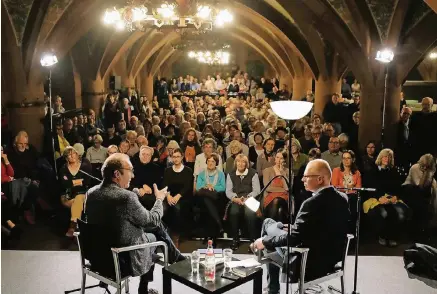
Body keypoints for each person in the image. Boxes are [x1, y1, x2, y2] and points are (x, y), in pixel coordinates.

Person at [84, 153, 184, 294]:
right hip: (123, 259)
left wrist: (135, 192)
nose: (133, 175)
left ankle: (176, 257)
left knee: (152, 228)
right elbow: (152, 219)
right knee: (155, 231)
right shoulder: (126, 198)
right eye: (130, 170)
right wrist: (159, 199)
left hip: (97, 256)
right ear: (117, 174)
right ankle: (146, 286)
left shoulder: (91, 193)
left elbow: (113, 208)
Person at [252, 159, 350, 294]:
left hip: (307, 263)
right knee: (274, 227)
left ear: (320, 179)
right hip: (331, 258)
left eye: (306, 176)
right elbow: (325, 228)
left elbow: (293, 239)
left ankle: (272, 288)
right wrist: (297, 228)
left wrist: (264, 241)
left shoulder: (311, 203)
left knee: (267, 224)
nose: (302, 179)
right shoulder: (343, 198)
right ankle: (271, 287)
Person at [363, 149, 409, 247]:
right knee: (384, 213)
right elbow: (371, 187)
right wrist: (379, 197)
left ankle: (392, 237)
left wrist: (395, 196)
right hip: (376, 198)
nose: (386, 159)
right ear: (380, 157)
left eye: (389, 157)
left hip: (391, 198)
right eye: (385, 156)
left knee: (400, 214)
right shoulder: (372, 170)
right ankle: (382, 236)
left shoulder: (393, 171)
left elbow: (398, 187)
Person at [225, 154, 261, 250]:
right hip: (236, 199)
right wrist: (235, 198)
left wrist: (247, 197)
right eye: (238, 162)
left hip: (249, 199)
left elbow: (257, 190)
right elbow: (228, 191)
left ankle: (253, 240)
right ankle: (235, 239)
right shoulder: (230, 174)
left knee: (250, 213)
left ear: (246, 164)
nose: (241, 164)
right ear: (236, 163)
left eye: (243, 162)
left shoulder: (253, 173)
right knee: (233, 212)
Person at [162, 148, 194, 247]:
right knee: (163, 209)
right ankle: (163, 235)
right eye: (174, 157)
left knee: (177, 208)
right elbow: (165, 185)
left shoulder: (188, 170)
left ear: (182, 157)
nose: (175, 159)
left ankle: (175, 237)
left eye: (178, 157)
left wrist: (178, 196)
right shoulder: (167, 171)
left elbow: (187, 187)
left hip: (184, 197)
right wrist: (168, 196)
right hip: (170, 196)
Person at [59, 146, 92, 237]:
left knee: (79, 198)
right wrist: (79, 181)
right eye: (69, 155)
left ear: (77, 155)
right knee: (77, 202)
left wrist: (73, 182)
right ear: (66, 158)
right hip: (67, 196)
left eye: (73, 153)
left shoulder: (84, 166)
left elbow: (86, 182)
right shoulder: (63, 169)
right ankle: (77, 226)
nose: (72, 156)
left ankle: (72, 226)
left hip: (83, 194)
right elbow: (65, 184)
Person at [194, 153, 226, 244]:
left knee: (208, 199)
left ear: (216, 163)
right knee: (205, 197)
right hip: (204, 199)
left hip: (217, 199)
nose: (210, 163)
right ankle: (218, 225)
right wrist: (207, 187)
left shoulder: (221, 174)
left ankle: (209, 235)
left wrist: (213, 187)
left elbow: (223, 187)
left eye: (213, 161)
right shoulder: (201, 174)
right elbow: (198, 188)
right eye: (208, 161)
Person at [402, 154, 437, 235]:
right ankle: (417, 232)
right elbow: (419, 185)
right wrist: (425, 173)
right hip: (410, 189)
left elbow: (428, 186)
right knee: (420, 204)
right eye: (423, 166)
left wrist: (429, 173)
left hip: (422, 192)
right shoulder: (415, 167)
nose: (424, 168)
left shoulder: (431, 170)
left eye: (427, 166)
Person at [131, 146, 163, 210]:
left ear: (151, 157)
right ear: (139, 155)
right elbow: (129, 184)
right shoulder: (132, 168)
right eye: (143, 154)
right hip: (136, 193)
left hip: (151, 195)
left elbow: (159, 184)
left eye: (147, 154)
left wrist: (150, 188)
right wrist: (140, 188)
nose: (145, 156)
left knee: (148, 200)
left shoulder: (157, 168)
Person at [262, 149, 289, 223]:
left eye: (281, 158)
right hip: (270, 197)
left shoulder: (288, 171)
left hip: (284, 198)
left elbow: (287, 187)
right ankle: (274, 228)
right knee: (277, 206)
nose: (279, 160)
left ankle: (269, 226)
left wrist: (282, 172)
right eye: (277, 157)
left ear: (284, 160)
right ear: (274, 159)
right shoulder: (267, 170)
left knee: (277, 201)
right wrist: (283, 190)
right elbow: (268, 188)